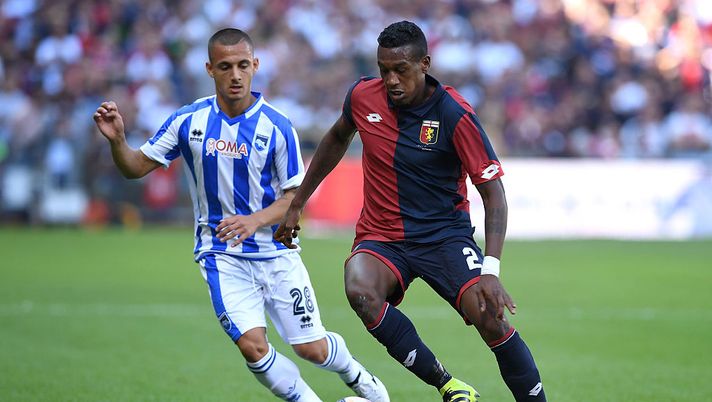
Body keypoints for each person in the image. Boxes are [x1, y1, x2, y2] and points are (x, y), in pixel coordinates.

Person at [93, 28, 389, 402]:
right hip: (221, 255)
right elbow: (135, 166)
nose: (235, 75)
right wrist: (119, 141)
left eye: (243, 65)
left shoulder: (277, 126)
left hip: (277, 254)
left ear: (255, 66)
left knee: (311, 348)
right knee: (253, 347)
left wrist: (254, 220)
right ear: (210, 69)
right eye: (225, 66)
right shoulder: (188, 121)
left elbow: (296, 199)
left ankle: (357, 376)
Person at [276, 21, 546, 402]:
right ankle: (448, 385)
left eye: (400, 70)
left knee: (490, 317)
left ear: (424, 64)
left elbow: (494, 195)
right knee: (360, 290)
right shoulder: (362, 98)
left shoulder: (454, 114)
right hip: (382, 236)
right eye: (384, 69)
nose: (391, 80)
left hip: (444, 237)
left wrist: (491, 269)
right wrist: (297, 203)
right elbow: (337, 137)